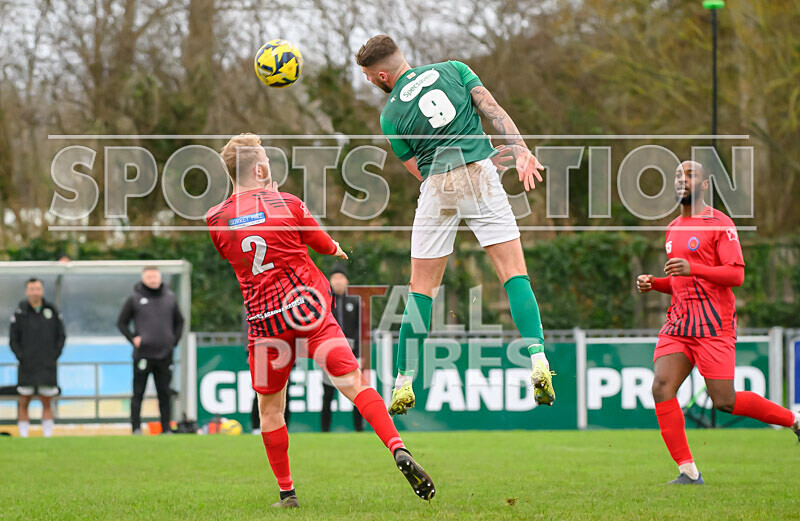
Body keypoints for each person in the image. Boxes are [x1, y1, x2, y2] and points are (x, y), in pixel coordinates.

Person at [206, 133, 435, 508]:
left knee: (271, 409)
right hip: (307, 309)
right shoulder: (288, 204)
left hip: (265, 323)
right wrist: (334, 248)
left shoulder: (215, 219)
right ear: (260, 168)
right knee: (353, 383)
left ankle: (287, 492)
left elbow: (234, 251)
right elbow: (318, 240)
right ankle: (397, 447)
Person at [355, 35, 553, 415]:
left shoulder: (390, 116)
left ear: (382, 75)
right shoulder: (454, 68)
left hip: (438, 184)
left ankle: (403, 381)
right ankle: (538, 358)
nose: (369, 82)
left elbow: (419, 172)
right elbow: (492, 109)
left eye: (368, 76)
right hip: (481, 173)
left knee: (422, 289)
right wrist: (521, 149)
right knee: (513, 273)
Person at [636, 160, 800, 485]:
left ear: (705, 184)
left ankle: (795, 420)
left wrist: (693, 268)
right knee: (661, 386)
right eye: (678, 176)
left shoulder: (720, 223)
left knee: (725, 400)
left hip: (713, 326)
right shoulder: (673, 227)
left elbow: (736, 274)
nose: (682, 180)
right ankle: (688, 472)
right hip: (679, 323)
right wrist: (655, 283)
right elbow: (681, 280)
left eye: (690, 175)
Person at [117, 267, 185, 435]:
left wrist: (172, 341)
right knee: (138, 392)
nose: (153, 279)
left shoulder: (170, 298)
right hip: (143, 354)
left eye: (155, 276)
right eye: (149, 277)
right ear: (143, 279)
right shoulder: (135, 298)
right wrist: (133, 338)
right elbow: (122, 322)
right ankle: (136, 428)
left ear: (160, 278)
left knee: (164, 392)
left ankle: (166, 428)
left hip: (164, 354)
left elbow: (180, 321)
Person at [9, 278, 66, 438]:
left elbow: (61, 335)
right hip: (27, 365)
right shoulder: (20, 312)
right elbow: (13, 338)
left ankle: (47, 436)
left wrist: (54, 355)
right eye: (32, 289)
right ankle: (24, 436)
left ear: (42, 291)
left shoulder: (52, 311)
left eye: (38, 289)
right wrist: (21, 356)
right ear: (27, 291)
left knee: (47, 400)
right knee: (24, 400)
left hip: (47, 364)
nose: (35, 292)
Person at [321, 263, 363, 432]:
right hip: (330, 356)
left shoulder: (354, 301)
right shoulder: (325, 302)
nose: (338, 281)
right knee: (327, 396)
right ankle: (324, 432)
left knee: (358, 395)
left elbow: (361, 328)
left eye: (341, 278)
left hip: (351, 357)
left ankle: (359, 429)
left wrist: (358, 352)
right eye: (335, 278)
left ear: (347, 281)